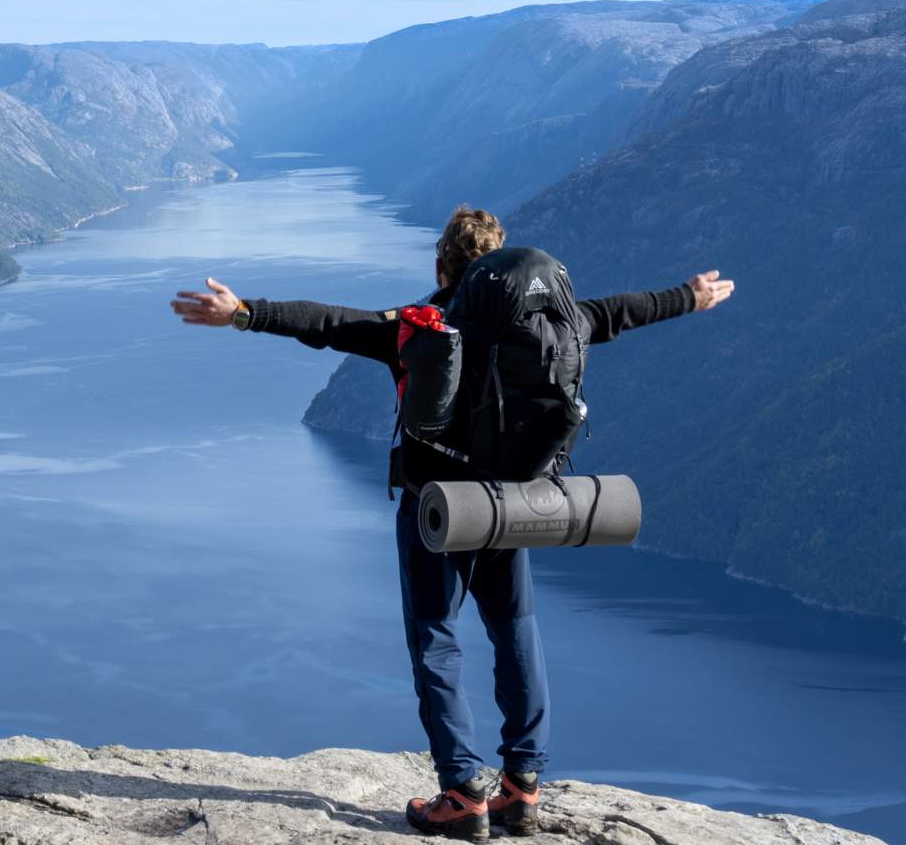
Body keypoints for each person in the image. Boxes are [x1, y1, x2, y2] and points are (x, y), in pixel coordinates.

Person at [170, 205, 733, 840]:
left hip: (438, 509)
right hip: (509, 506)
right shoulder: (556, 323)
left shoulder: (419, 328)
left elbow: (328, 323)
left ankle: (463, 792)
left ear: (443, 265)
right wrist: (690, 296)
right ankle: (523, 785)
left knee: (436, 640)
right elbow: (625, 311)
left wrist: (244, 312)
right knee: (515, 629)